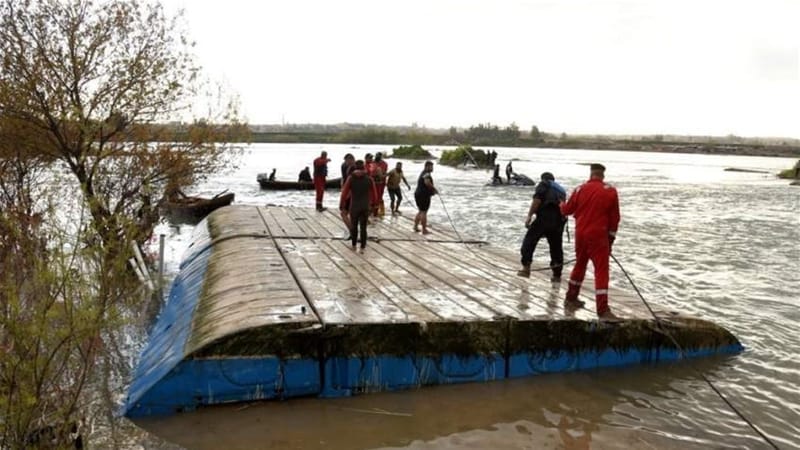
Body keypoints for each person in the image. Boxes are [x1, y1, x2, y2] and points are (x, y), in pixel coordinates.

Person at [560, 163, 621, 320]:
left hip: (581, 234)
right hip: (598, 235)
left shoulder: (579, 189)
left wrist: (561, 204)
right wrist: (611, 240)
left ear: (591, 174)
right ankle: (602, 310)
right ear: (603, 175)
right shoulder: (610, 191)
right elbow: (615, 220)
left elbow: (567, 210)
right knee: (601, 271)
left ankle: (571, 298)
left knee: (580, 264)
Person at [517, 172, 567, 282]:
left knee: (529, 241)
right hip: (558, 221)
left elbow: (537, 201)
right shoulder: (561, 190)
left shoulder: (544, 184)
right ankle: (556, 275)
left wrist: (529, 216)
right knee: (556, 248)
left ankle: (526, 268)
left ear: (543, 178)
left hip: (545, 217)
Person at [340, 160, 377, 253]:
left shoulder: (351, 178)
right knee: (363, 227)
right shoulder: (369, 179)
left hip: (354, 206)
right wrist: (374, 205)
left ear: (355, 167)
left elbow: (344, 193)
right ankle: (363, 247)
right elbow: (375, 194)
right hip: (365, 206)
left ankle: (353, 245)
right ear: (364, 167)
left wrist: (342, 204)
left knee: (354, 226)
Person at [413, 160, 438, 234]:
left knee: (420, 211)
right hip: (423, 195)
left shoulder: (423, 173)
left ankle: (415, 226)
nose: (432, 168)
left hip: (418, 194)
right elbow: (427, 182)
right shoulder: (426, 174)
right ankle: (424, 230)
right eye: (431, 167)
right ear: (427, 166)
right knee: (424, 212)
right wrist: (434, 189)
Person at [339, 153, 356, 232]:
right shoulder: (358, 168)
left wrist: (344, 198)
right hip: (357, 194)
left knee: (343, 213)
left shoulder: (351, 169)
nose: (346, 162)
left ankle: (352, 231)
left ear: (350, 159)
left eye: (346, 161)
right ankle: (354, 231)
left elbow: (347, 182)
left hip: (350, 193)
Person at [371, 152, 388, 217]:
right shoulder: (372, 163)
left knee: (379, 196)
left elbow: (384, 172)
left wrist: (384, 175)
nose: (377, 157)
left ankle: (381, 210)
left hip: (381, 183)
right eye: (376, 156)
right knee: (372, 197)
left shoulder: (384, 164)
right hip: (373, 183)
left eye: (379, 156)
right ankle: (373, 210)